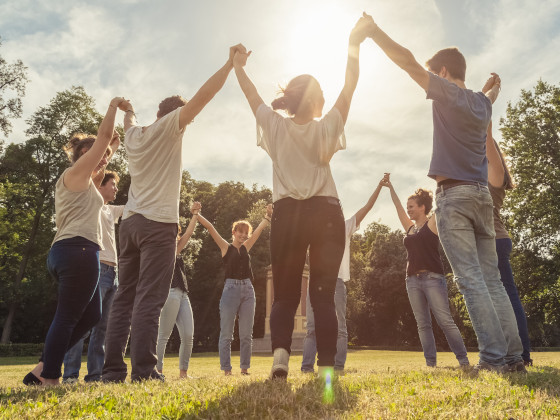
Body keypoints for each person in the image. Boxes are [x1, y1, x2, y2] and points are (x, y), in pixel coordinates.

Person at [363, 13, 524, 372]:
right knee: (493, 280)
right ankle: (514, 357)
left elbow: (406, 62)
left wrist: (375, 32)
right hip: (482, 197)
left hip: (454, 197)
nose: (431, 80)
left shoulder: (446, 91)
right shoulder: (482, 104)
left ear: (445, 73)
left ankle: (494, 359)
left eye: (434, 73)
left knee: (470, 281)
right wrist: (493, 84)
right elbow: (490, 93)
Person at [232, 16, 370, 379]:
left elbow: (251, 96)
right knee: (323, 296)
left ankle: (280, 357)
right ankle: (326, 369)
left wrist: (238, 66)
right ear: (318, 99)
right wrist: (354, 41)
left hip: (288, 214)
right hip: (325, 213)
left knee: (284, 295)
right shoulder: (327, 127)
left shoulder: (276, 127)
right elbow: (351, 85)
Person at [102, 44, 247, 383]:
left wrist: (128, 108)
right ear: (178, 116)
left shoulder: (135, 135)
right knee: (150, 299)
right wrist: (229, 65)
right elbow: (203, 96)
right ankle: (143, 371)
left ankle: (111, 371)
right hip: (157, 226)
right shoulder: (172, 126)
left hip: (131, 225)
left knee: (124, 298)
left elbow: (130, 120)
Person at [23, 97, 127, 386]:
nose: (100, 158)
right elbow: (102, 139)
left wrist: (111, 149)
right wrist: (113, 107)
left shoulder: (85, 183)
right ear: (81, 154)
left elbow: (102, 160)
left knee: (91, 315)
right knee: (68, 317)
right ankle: (50, 377)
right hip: (77, 250)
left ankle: (43, 367)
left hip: (73, 251)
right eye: (93, 152)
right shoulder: (74, 174)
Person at [301, 177, 387, 374]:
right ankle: (306, 367)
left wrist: (379, 186)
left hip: (337, 282)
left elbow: (367, 207)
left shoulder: (345, 226)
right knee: (312, 327)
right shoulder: (311, 231)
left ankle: (338, 366)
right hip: (316, 283)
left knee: (339, 327)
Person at [382, 175, 469, 368]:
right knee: (423, 325)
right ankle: (431, 364)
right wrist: (390, 187)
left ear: (422, 207)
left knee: (445, 321)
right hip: (412, 281)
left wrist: (446, 180)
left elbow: (441, 203)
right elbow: (397, 208)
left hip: (433, 278)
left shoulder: (432, 223)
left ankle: (463, 361)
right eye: (408, 207)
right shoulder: (410, 228)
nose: (408, 210)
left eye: (412, 206)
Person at [62, 169, 124, 383]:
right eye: (113, 184)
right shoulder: (92, 205)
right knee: (83, 323)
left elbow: (135, 206)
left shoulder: (111, 210)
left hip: (113, 272)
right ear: (101, 185)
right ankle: (70, 375)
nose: (116, 188)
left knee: (102, 328)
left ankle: (95, 375)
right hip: (96, 268)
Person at [197, 204, 273, 376]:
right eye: (241, 232)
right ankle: (226, 370)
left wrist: (267, 216)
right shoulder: (225, 247)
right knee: (227, 334)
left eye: (246, 233)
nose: (244, 235)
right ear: (234, 232)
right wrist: (197, 214)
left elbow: (259, 230)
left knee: (246, 334)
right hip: (230, 291)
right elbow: (210, 228)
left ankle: (245, 369)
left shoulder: (246, 247)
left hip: (248, 290)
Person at [486, 121, 532, 366]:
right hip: (495, 241)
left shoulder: (495, 176)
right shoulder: (487, 175)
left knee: (508, 297)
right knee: (500, 299)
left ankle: (522, 355)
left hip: (495, 241)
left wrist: (485, 125)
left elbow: (487, 141)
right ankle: (511, 352)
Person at [156, 202, 201, 379]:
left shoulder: (176, 249)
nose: (177, 236)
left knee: (188, 335)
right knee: (164, 335)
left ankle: (183, 373)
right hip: (171, 293)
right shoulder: (167, 250)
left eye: (177, 233)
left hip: (183, 294)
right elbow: (189, 234)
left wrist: (195, 215)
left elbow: (187, 233)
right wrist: (195, 216)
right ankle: (157, 371)